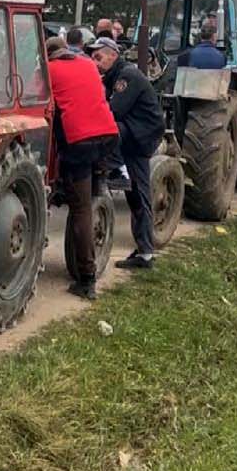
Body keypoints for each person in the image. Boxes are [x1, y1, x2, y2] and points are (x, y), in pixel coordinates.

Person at [46, 36, 120, 300]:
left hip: (80, 143)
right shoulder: (88, 64)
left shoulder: (49, 71)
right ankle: (99, 193)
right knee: (88, 196)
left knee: (80, 208)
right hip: (109, 136)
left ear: (48, 55)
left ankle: (87, 279)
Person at [90, 37, 165, 270]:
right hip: (134, 134)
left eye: (98, 56)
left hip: (140, 138)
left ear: (113, 55)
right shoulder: (113, 76)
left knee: (111, 129)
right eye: (92, 56)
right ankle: (145, 252)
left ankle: (113, 167)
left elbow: (114, 111)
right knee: (136, 194)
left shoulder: (127, 76)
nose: (94, 61)